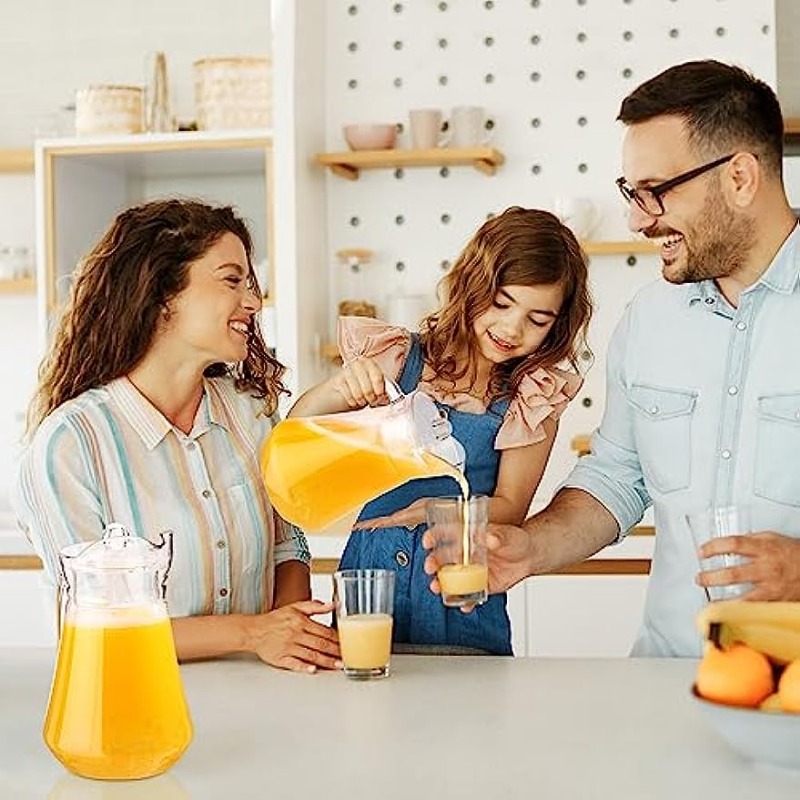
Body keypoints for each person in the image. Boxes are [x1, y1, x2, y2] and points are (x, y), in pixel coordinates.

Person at [424, 59, 800, 658]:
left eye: (656, 192)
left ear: (740, 177)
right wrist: (531, 546)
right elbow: (616, 479)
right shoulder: (650, 320)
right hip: (672, 677)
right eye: (633, 193)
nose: (637, 219)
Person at [13, 198, 340, 673]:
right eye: (232, 280)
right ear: (163, 294)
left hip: (263, 695)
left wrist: (291, 638)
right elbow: (89, 625)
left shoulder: (250, 416)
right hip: (139, 703)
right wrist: (253, 633)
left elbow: (286, 548)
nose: (253, 301)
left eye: (251, 283)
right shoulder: (71, 446)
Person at [289, 207, 593, 654]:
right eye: (502, 303)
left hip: (459, 596)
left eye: (538, 319)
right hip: (371, 584)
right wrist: (337, 387)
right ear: (472, 285)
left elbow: (511, 507)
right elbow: (297, 432)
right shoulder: (398, 356)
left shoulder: (532, 397)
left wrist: (439, 509)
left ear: (558, 324)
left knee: (467, 717)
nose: (512, 328)